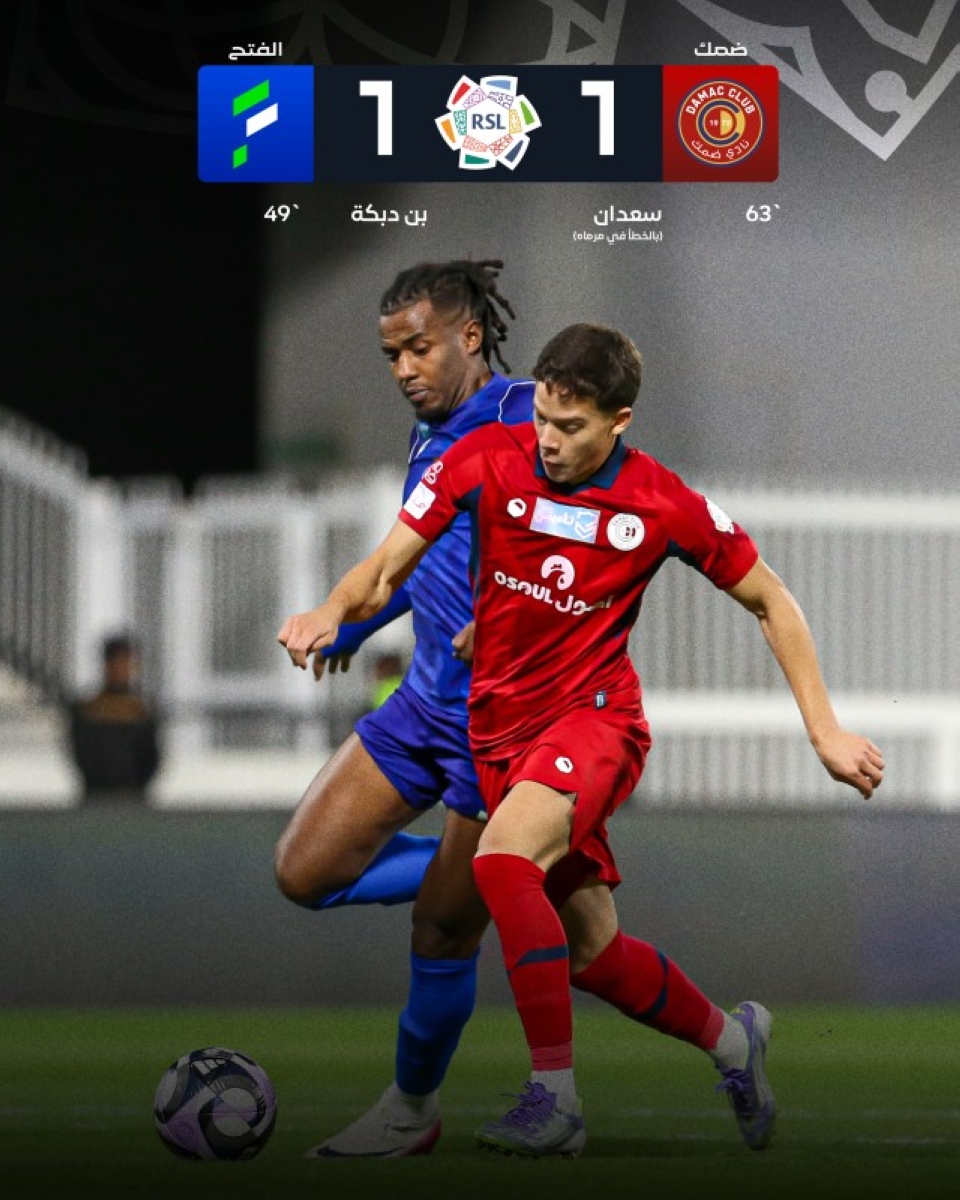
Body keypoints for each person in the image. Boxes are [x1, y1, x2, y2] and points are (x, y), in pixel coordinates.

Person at [279, 322, 885, 1159]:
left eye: (571, 427)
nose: (550, 441)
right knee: (593, 956)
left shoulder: (661, 502)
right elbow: (386, 568)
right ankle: (733, 1042)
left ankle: (554, 1101)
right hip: (499, 730)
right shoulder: (483, 458)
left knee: (500, 862)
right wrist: (330, 611)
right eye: (542, 419)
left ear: (619, 421)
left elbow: (771, 601)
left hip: (593, 723)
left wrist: (825, 730)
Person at [272, 259, 536, 1155]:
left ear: (470, 335)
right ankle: (490, 878)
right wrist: (345, 621)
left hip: (499, 727)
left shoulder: (527, 416)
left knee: (441, 932)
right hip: (423, 706)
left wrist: (512, 610)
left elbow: (594, 539)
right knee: (304, 871)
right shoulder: (432, 435)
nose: (404, 370)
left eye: (418, 349)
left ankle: (411, 1112)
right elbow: (418, 559)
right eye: (392, 355)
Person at [67, 633, 161, 802]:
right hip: (96, 799)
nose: (122, 669)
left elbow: (150, 759)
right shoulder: (89, 711)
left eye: (127, 663)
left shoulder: (141, 712)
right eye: (117, 662)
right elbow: (84, 757)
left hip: (134, 800)